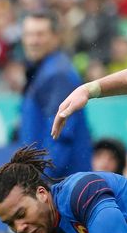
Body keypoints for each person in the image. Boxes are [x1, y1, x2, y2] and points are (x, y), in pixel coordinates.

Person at [17, 10, 92, 178]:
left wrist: (41, 180)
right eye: (28, 34)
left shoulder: (58, 74)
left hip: (59, 186)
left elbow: (60, 133)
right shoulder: (45, 70)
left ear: (55, 37)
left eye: (40, 34)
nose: (33, 41)